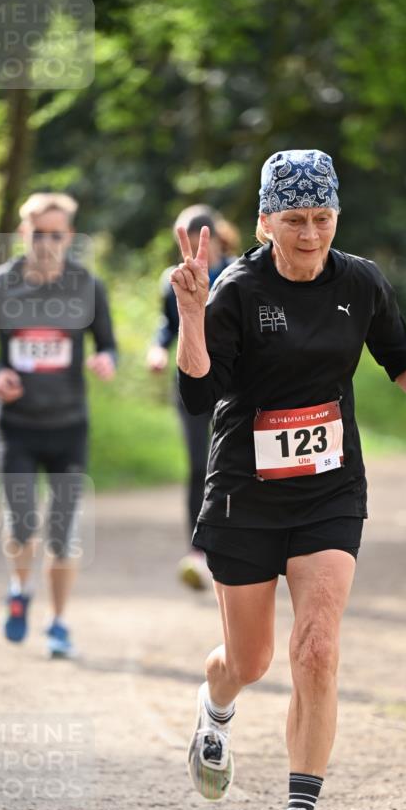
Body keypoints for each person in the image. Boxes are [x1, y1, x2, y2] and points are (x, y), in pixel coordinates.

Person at [172, 149, 406, 810]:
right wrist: (190, 315)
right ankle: (215, 715)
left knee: (318, 648)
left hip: (330, 489)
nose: (310, 235)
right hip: (246, 491)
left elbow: (400, 351)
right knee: (249, 658)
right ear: (266, 220)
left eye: (323, 218)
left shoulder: (358, 281)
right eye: (295, 220)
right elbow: (198, 396)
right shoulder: (238, 291)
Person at [0, 192, 118, 659]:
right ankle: (19, 588)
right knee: (22, 524)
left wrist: (106, 360)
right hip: (18, 426)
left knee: (62, 531)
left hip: (69, 425)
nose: (46, 242)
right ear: (23, 233)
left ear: (69, 236)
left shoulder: (87, 287)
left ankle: (58, 622)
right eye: (37, 233)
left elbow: (108, 344)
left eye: (56, 234)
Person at [147, 205, 238, 591]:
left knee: (236, 463)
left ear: (214, 238)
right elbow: (169, 324)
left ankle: (245, 543)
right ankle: (197, 551)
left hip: (236, 384)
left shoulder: (239, 272)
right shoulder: (172, 278)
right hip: (191, 384)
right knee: (200, 465)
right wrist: (157, 348)